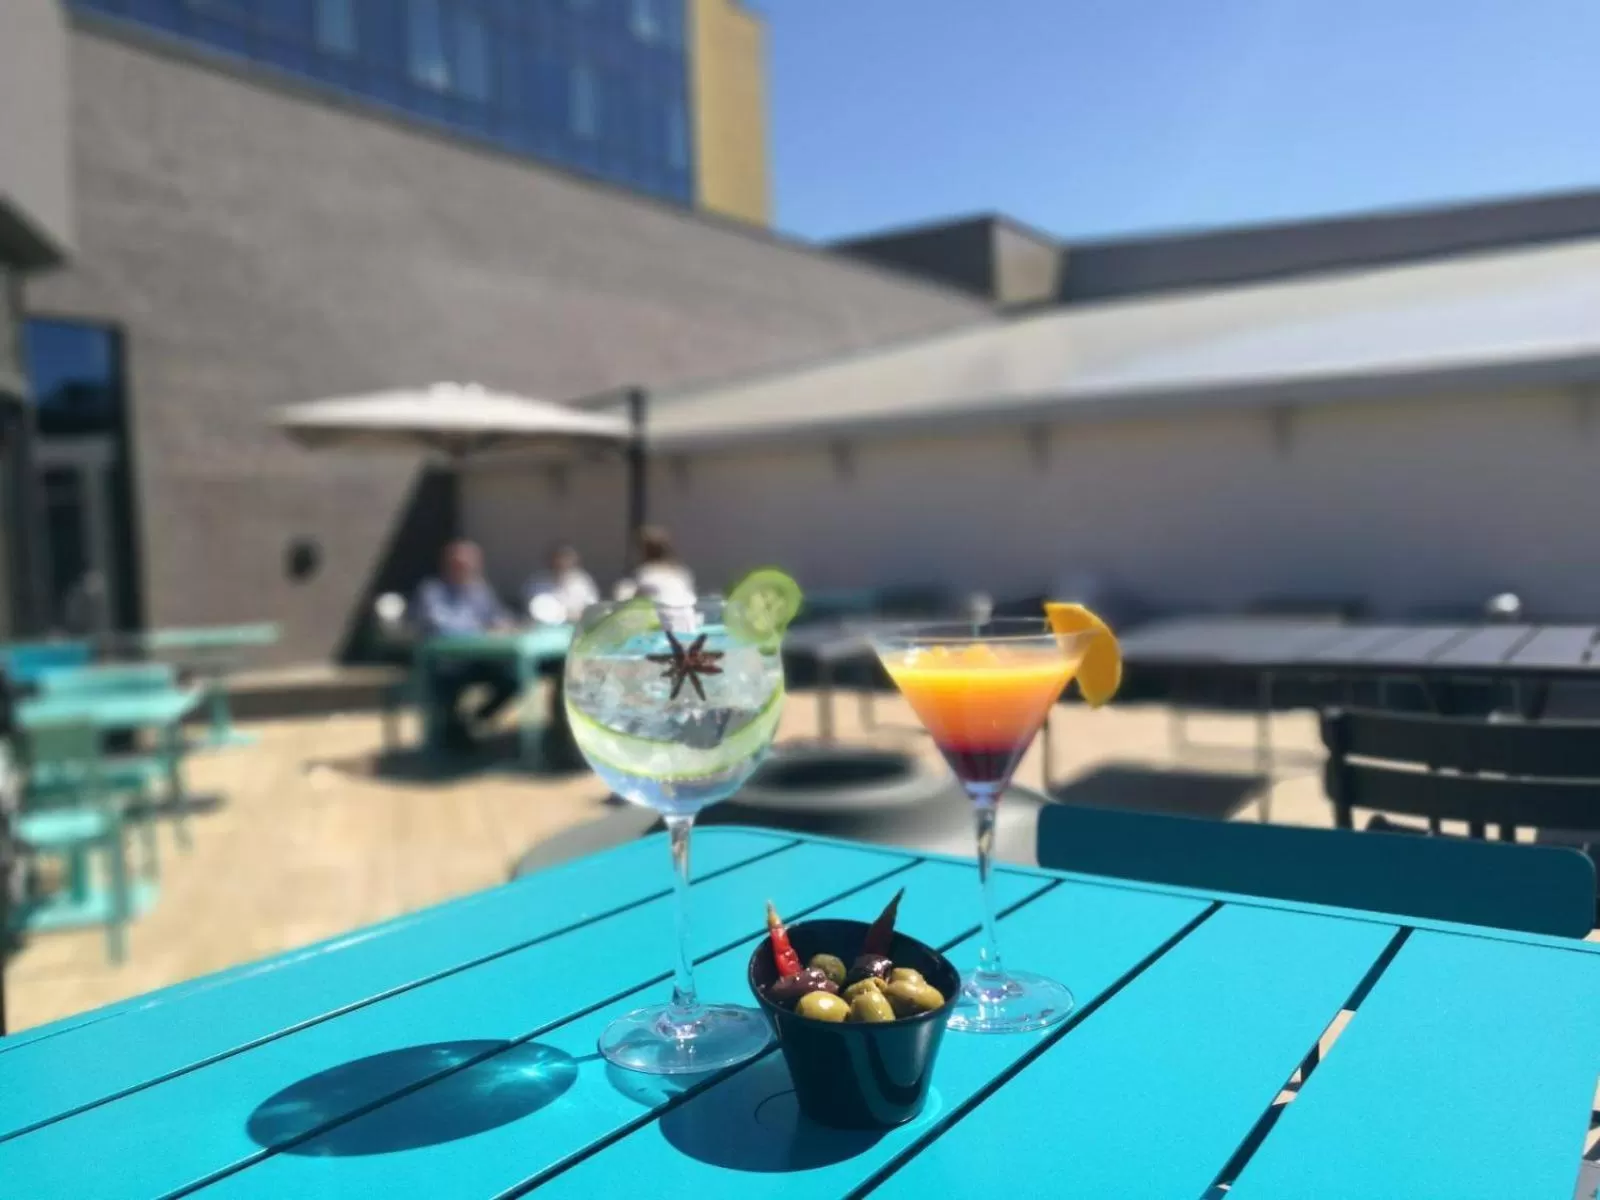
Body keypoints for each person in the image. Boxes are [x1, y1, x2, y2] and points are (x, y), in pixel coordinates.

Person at [415, 540, 518, 750]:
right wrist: (482, 631)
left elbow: (498, 616)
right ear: (447, 565)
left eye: (470, 564)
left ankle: (476, 720)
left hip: (479, 660)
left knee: (514, 678)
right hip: (445, 664)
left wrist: (504, 624)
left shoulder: (480, 589)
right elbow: (440, 628)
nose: (465, 569)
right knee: (447, 692)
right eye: (459, 564)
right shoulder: (432, 591)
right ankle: (455, 736)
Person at [615, 525, 696, 607]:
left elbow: (627, 600)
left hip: (662, 616)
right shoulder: (682, 572)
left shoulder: (646, 573)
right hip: (687, 617)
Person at [523, 543, 599, 624]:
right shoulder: (538, 582)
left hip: (577, 626)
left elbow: (592, 606)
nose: (563, 562)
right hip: (546, 629)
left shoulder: (581, 580)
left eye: (567, 558)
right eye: (559, 558)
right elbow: (536, 608)